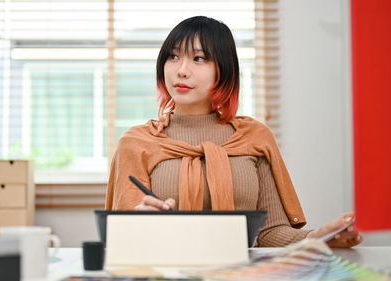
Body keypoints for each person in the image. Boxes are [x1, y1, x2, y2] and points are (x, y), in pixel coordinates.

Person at [105, 16, 362, 248]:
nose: (181, 69)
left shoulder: (254, 137)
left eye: (199, 58)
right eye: (172, 57)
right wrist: (139, 222)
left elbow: (269, 233)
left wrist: (320, 237)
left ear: (224, 70)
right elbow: (121, 240)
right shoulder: (136, 142)